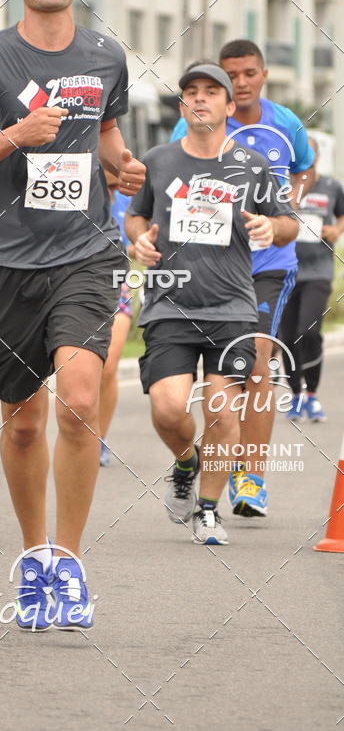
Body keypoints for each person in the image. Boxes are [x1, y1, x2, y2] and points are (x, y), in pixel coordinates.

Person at [0, 0, 145, 630]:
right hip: (6, 260)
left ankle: (71, 563)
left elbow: (107, 133)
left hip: (86, 252)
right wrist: (13, 136)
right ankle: (33, 557)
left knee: (79, 400)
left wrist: (123, 166)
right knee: (23, 422)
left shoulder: (106, 55)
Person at [126, 63, 298, 545]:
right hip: (169, 306)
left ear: (228, 104)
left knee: (222, 415)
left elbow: (288, 222)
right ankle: (186, 462)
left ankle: (207, 510)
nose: (200, 98)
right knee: (168, 409)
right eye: (191, 92)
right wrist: (139, 241)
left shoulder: (252, 165)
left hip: (232, 310)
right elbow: (136, 217)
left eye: (210, 92)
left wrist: (272, 227)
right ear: (183, 105)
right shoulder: (159, 160)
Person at [171, 40, 315, 518]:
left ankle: (250, 476)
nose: (241, 82)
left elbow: (305, 166)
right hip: (211, 265)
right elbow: (172, 175)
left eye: (249, 72)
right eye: (231, 75)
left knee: (256, 364)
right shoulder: (198, 117)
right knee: (216, 374)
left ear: (264, 74)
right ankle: (213, 457)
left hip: (269, 262)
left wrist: (284, 209)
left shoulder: (285, 123)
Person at [281, 137, 344, 421]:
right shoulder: (281, 187)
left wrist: (336, 230)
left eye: (308, 153)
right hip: (285, 271)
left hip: (318, 271)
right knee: (288, 336)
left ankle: (313, 395)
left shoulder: (330, 186)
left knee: (308, 331)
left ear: (316, 157)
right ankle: (296, 395)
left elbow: (342, 215)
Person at [99, 172, 134, 467]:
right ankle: (77, 430)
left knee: (108, 366)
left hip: (116, 283)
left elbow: (138, 237)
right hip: (70, 283)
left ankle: (98, 436)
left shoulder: (127, 195)